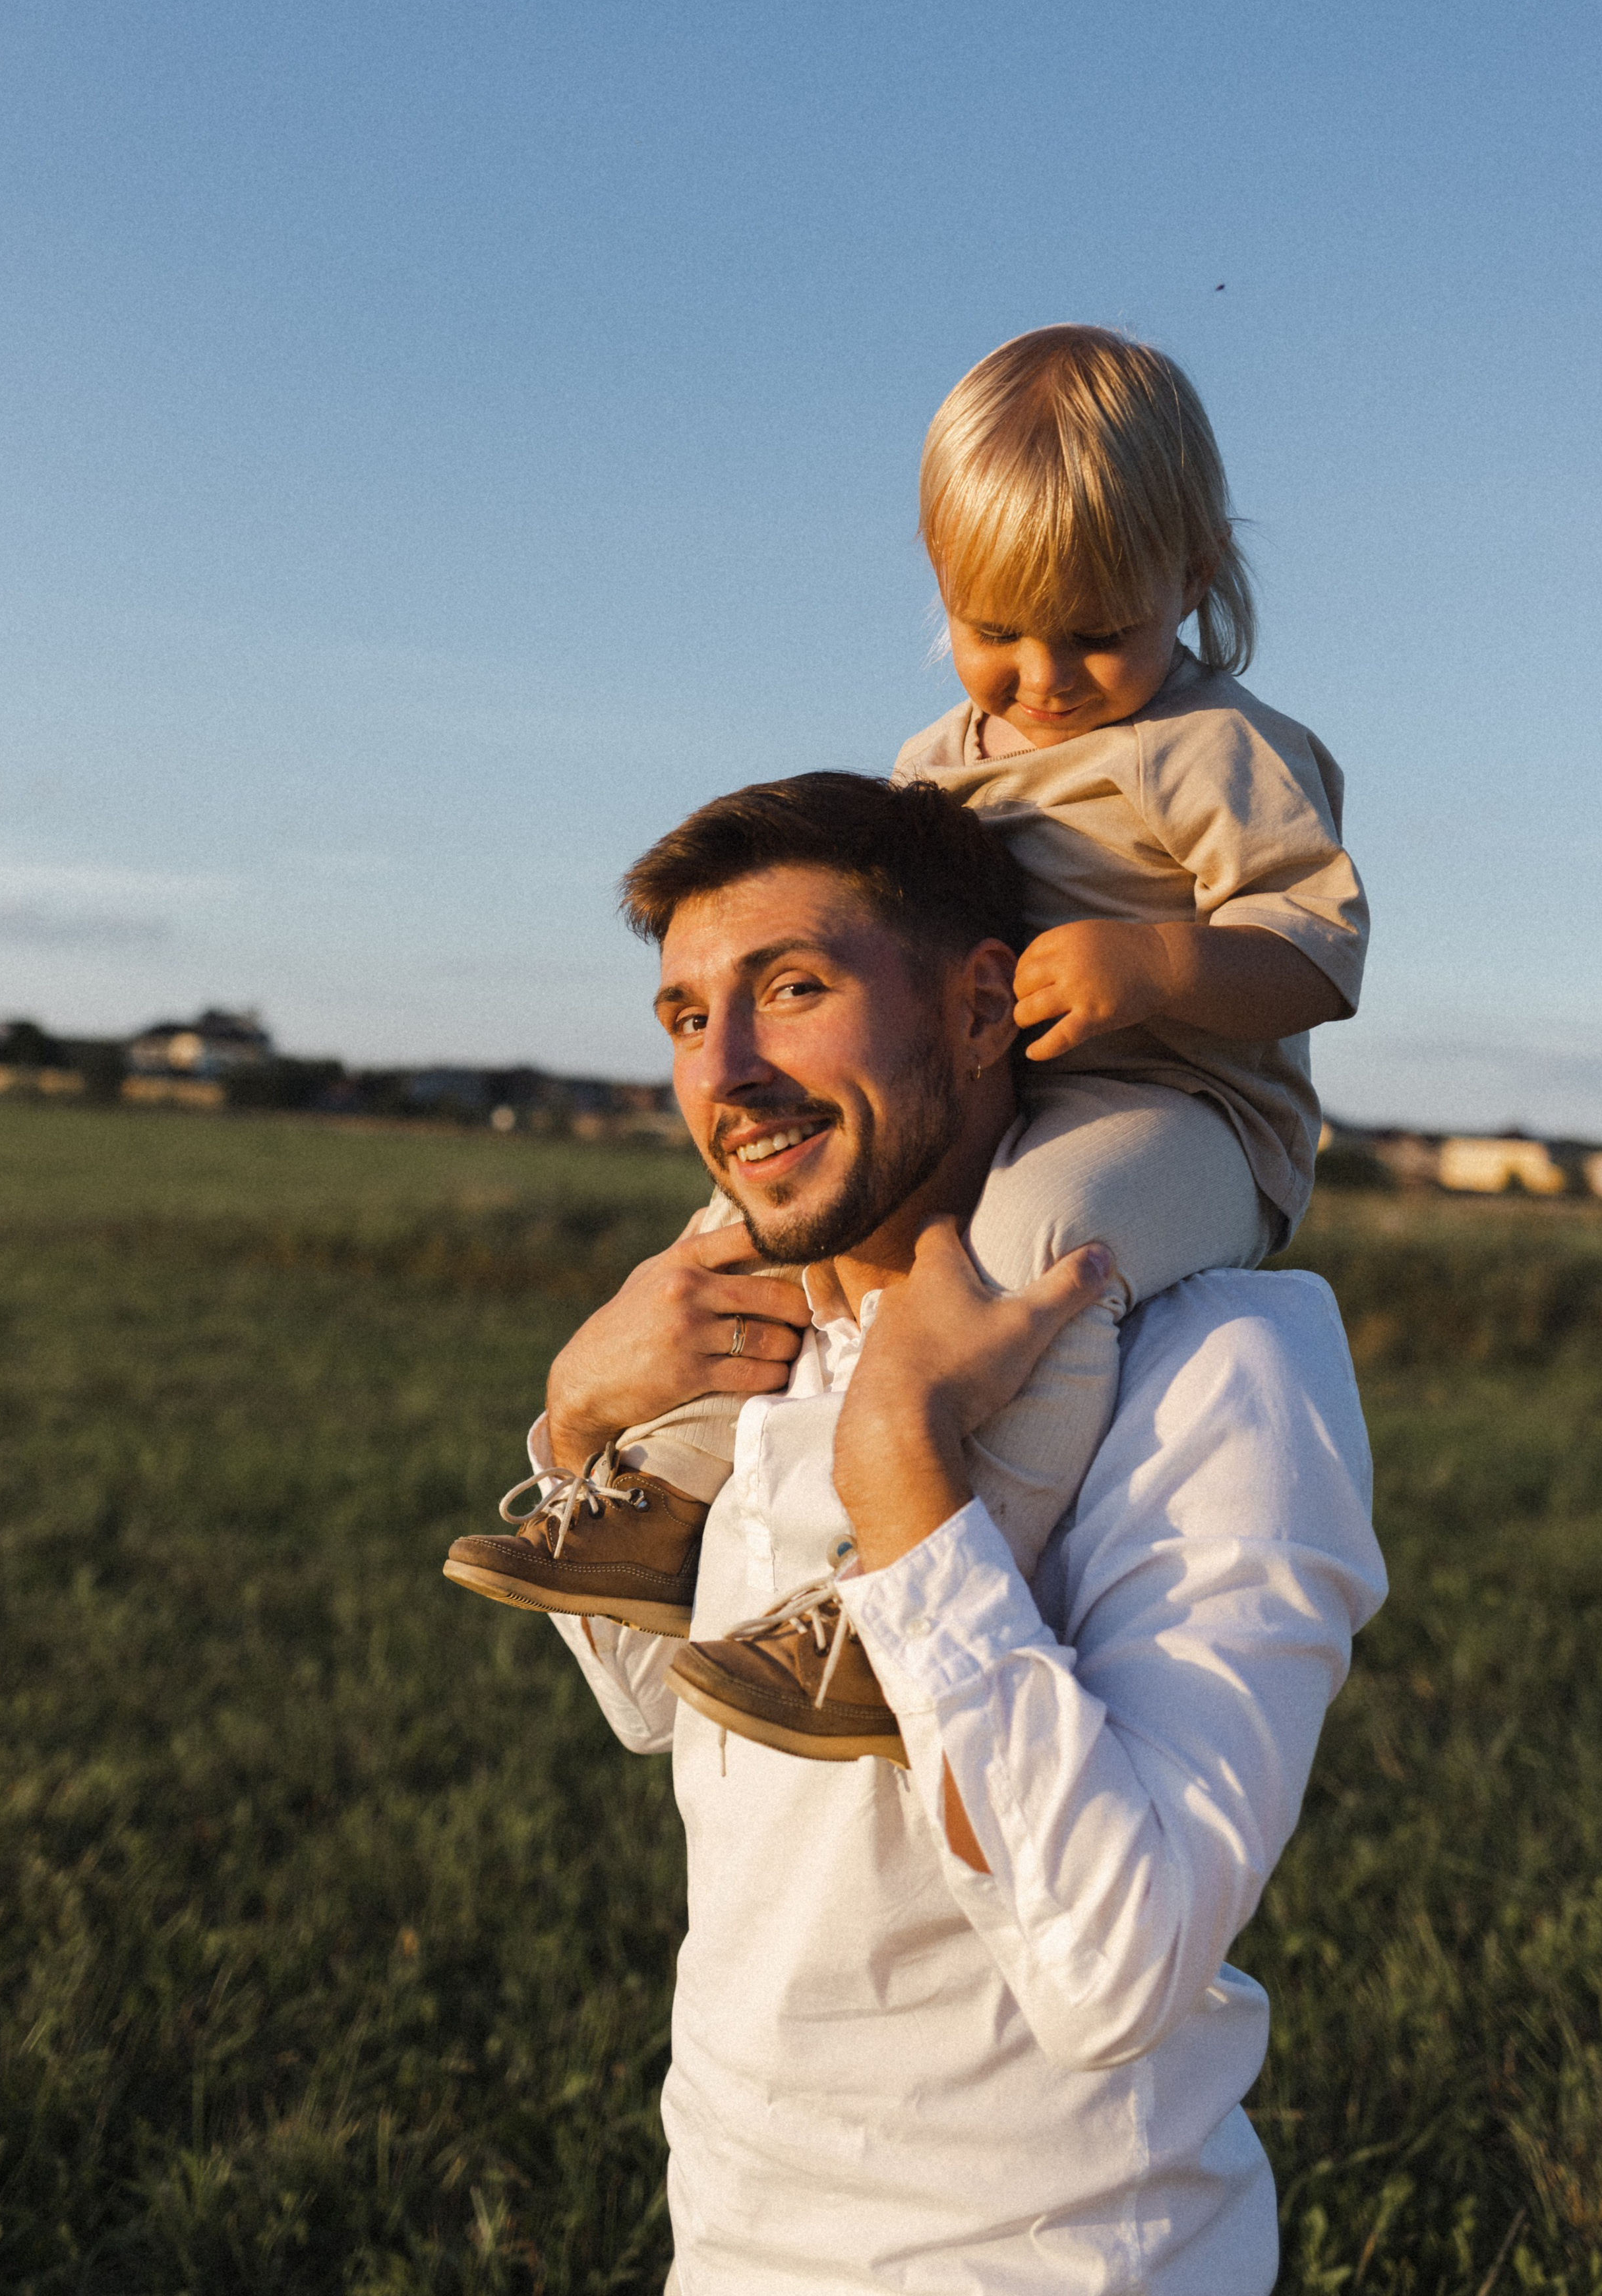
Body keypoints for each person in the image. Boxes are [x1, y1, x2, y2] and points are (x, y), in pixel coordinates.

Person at [447, 782, 1387, 2291]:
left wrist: (906, 1491)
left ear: (976, 1010)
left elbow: (1119, 1969)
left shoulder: (1219, 1369)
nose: (726, 1075)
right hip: (734, 2228)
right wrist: (577, 1423)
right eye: (686, 1018)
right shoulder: (784, 1328)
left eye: (792, 992)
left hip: (1050, 2259)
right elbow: (650, 1707)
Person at [446, 326, 1367, 1756]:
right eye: (992, 631)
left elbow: (1315, 954)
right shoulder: (939, 759)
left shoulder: (1212, 750)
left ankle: (904, 1598)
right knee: (753, 1218)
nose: (1041, 678)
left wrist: (1160, 964)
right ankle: (658, 1490)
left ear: (1191, 578)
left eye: (1093, 634)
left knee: (1038, 1249)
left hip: (1179, 1115)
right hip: (988, 1102)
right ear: (939, 591)